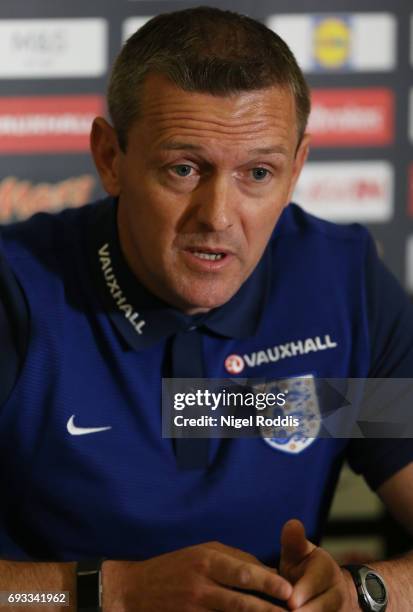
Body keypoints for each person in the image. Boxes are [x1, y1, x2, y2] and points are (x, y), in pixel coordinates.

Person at [1, 6, 413, 611]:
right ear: (111, 157)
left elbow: (204, 410)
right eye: (185, 168)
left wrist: (362, 595)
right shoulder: (17, 295)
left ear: (297, 168)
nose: (218, 217)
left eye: (258, 173)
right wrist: (111, 593)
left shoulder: (339, 287)